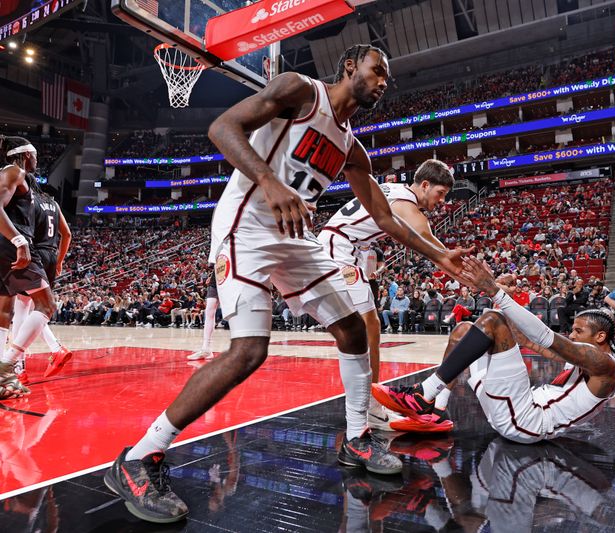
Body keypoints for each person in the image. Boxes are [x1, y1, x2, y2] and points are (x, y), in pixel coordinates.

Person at [104, 44, 468, 524]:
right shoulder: (300, 90)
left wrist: (441, 256)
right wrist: (270, 183)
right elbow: (222, 128)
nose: (383, 81)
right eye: (377, 70)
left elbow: (385, 216)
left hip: (294, 238)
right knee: (250, 351)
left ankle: (357, 438)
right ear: (349, 67)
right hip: (246, 228)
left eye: (387, 78)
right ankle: (140, 458)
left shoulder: (352, 147)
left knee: (354, 329)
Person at [371, 258, 615, 442]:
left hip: (529, 421)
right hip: (515, 408)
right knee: (464, 330)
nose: (572, 335)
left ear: (600, 337)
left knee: (492, 320)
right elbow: (523, 337)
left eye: (578, 332)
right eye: (572, 330)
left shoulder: (605, 367)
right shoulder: (584, 357)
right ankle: (436, 409)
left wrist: (495, 292)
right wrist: (499, 297)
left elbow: (543, 337)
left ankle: (422, 394)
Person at [319, 158, 455, 428]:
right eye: (440, 194)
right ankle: (369, 403)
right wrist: (457, 264)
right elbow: (426, 239)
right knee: (368, 327)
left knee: (366, 328)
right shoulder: (405, 199)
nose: (442, 202)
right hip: (340, 248)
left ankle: (368, 400)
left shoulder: (393, 190)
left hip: (346, 248)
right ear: (425, 185)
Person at [0, 137, 58, 400]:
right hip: (14, 245)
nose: (37, 160)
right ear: (24, 155)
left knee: (4, 311)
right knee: (46, 306)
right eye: (34, 154)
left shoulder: (22, 180)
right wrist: (20, 241)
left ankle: (3, 377)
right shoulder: (14, 171)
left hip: (6, 245)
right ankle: (5, 366)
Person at [12, 186, 72, 383]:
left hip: (34, 254)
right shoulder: (53, 204)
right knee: (36, 308)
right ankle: (55, 348)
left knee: (21, 308)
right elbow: (67, 234)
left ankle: (18, 367)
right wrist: (60, 260)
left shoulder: (30, 201)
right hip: (51, 257)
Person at [186, 272, 219, 360]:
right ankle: (206, 348)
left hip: (231, 277)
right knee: (209, 311)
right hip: (216, 277)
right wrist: (211, 275)